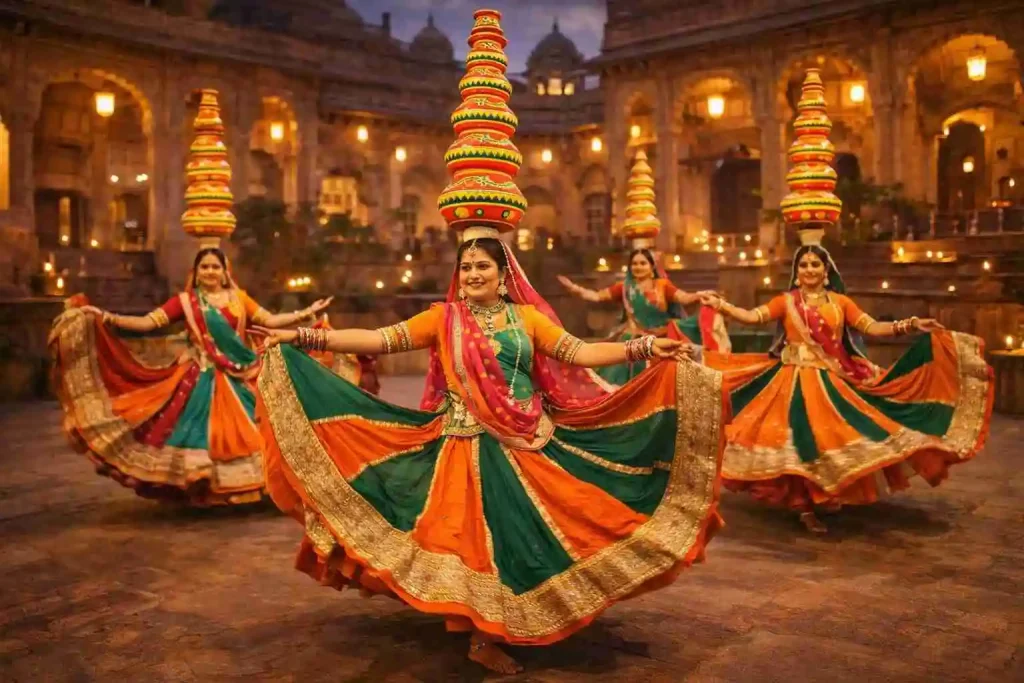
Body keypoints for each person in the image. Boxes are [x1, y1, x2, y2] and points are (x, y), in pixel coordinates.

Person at [255, 235, 727, 674]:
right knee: (474, 547)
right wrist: (304, 337)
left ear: (504, 276)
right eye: (466, 267)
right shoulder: (443, 318)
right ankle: (481, 637)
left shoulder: (527, 319)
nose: (473, 274)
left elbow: (578, 352)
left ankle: (527, 617)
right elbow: (380, 339)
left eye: (482, 266)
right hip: (462, 445)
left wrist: (645, 346)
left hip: (527, 441)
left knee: (533, 537)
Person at [699, 243, 993, 533]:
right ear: (797, 272)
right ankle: (804, 505)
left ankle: (822, 494)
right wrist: (721, 306)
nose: (809, 269)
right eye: (804, 265)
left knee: (829, 440)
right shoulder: (786, 301)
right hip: (790, 382)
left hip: (831, 380)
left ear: (826, 270)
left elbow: (872, 327)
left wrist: (911, 324)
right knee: (797, 443)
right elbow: (753, 316)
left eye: (815, 264)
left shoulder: (841, 303)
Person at [49, 246, 332, 505]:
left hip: (243, 373)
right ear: (195, 273)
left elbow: (268, 320)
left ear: (225, 272)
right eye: (204, 267)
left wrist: (304, 313)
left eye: (215, 267)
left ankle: (262, 485)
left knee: (262, 430)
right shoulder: (185, 302)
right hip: (203, 378)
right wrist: (106, 317)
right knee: (204, 437)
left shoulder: (239, 298)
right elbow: (147, 323)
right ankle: (211, 490)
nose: (210, 272)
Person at [558, 248, 730, 384]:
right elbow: (596, 296)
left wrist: (700, 295)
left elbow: (683, 298)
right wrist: (574, 288)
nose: (638, 267)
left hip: (662, 340)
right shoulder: (624, 287)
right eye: (634, 264)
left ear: (651, 266)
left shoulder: (662, 285)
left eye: (643, 263)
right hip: (635, 342)